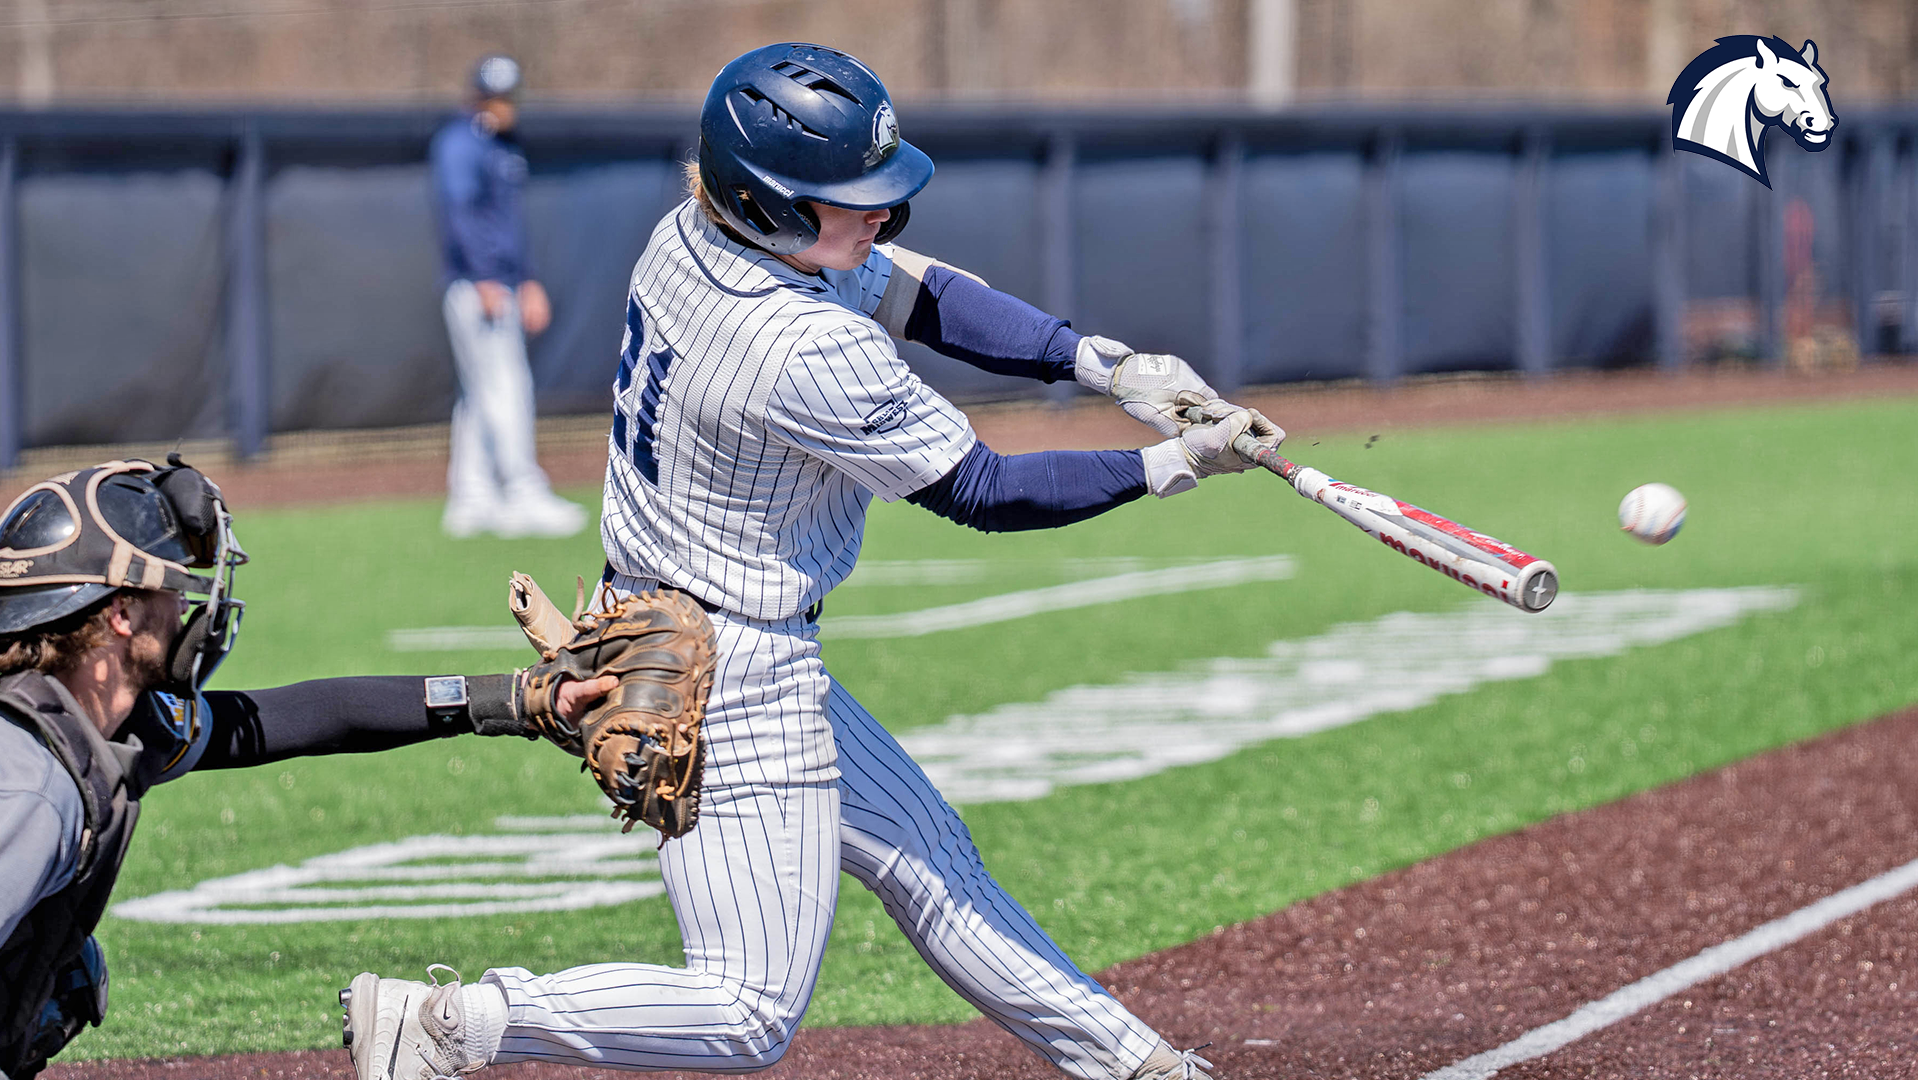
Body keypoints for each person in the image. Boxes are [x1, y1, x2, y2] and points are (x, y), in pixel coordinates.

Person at [345, 42, 1281, 1080]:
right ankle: (454, 1024)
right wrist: (1170, 464)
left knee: (932, 860)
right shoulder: (801, 349)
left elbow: (918, 294)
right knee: (746, 1011)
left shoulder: (688, 234)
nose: (882, 213)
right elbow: (981, 490)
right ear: (773, 205)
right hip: (735, 669)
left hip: (658, 618)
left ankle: (1144, 1068)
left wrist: (1096, 362)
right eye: (852, 197)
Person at [0, 458, 612, 1079]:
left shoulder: (96, 724)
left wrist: (515, 700)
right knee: (53, 972)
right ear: (120, 615)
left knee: (61, 967)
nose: (185, 606)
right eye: (168, 587)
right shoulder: (32, 782)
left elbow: (310, 716)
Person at [429, 54, 585, 539]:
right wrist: (486, 278)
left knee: (479, 394)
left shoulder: (499, 144)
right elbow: (461, 213)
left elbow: (507, 225)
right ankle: (521, 490)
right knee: (505, 387)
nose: (506, 106)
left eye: (510, 97)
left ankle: (471, 498)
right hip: (481, 285)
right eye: (497, 97)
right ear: (478, 98)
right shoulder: (460, 142)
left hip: (501, 281)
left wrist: (527, 278)